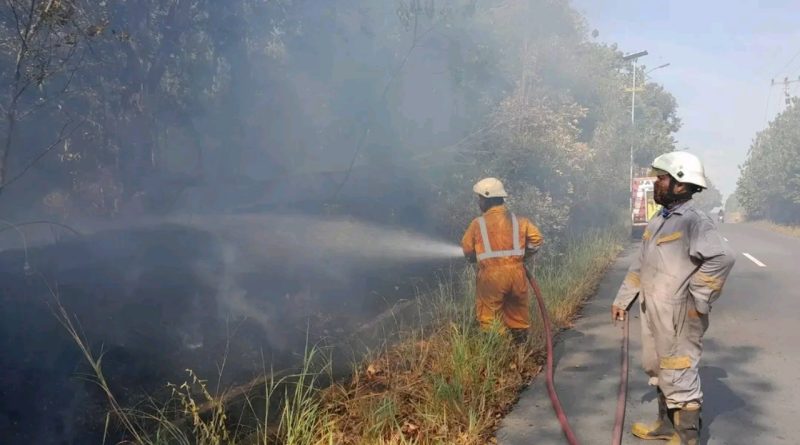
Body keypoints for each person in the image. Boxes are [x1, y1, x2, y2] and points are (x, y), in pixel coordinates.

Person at [611, 152, 736, 445]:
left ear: (680, 184)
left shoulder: (693, 221)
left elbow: (722, 257)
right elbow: (640, 264)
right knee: (658, 366)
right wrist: (623, 299)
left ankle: (687, 438)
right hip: (654, 309)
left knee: (679, 372)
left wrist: (698, 298)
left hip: (680, 313)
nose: (656, 183)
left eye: (662, 178)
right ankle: (666, 427)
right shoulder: (659, 219)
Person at [461, 177, 544, 342]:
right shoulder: (519, 221)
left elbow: (467, 249)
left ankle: (498, 353)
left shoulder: (478, 224)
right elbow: (537, 240)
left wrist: (473, 258)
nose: (479, 202)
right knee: (518, 318)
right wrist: (521, 257)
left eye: (480, 198)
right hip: (517, 275)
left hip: (491, 279)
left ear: (486, 199)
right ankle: (520, 354)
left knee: (489, 318)